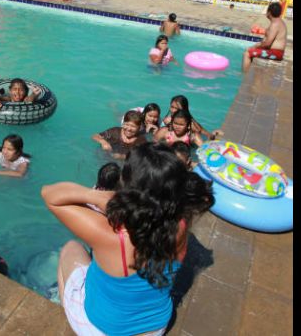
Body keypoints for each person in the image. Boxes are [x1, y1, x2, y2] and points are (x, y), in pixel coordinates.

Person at [41, 143, 214, 336]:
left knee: (71, 248)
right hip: (155, 328)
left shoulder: (109, 234)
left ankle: (65, 305)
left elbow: (49, 194)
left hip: (104, 330)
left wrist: (99, 196)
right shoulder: (182, 220)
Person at [242, 2, 287, 72]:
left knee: (247, 53)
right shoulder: (279, 22)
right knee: (252, 50)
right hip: (277, 52)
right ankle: (249, 71)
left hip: (275, 53)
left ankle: (244, 74)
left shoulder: (275, 25)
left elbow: (267, 44)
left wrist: (256, 46)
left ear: (269, 12)